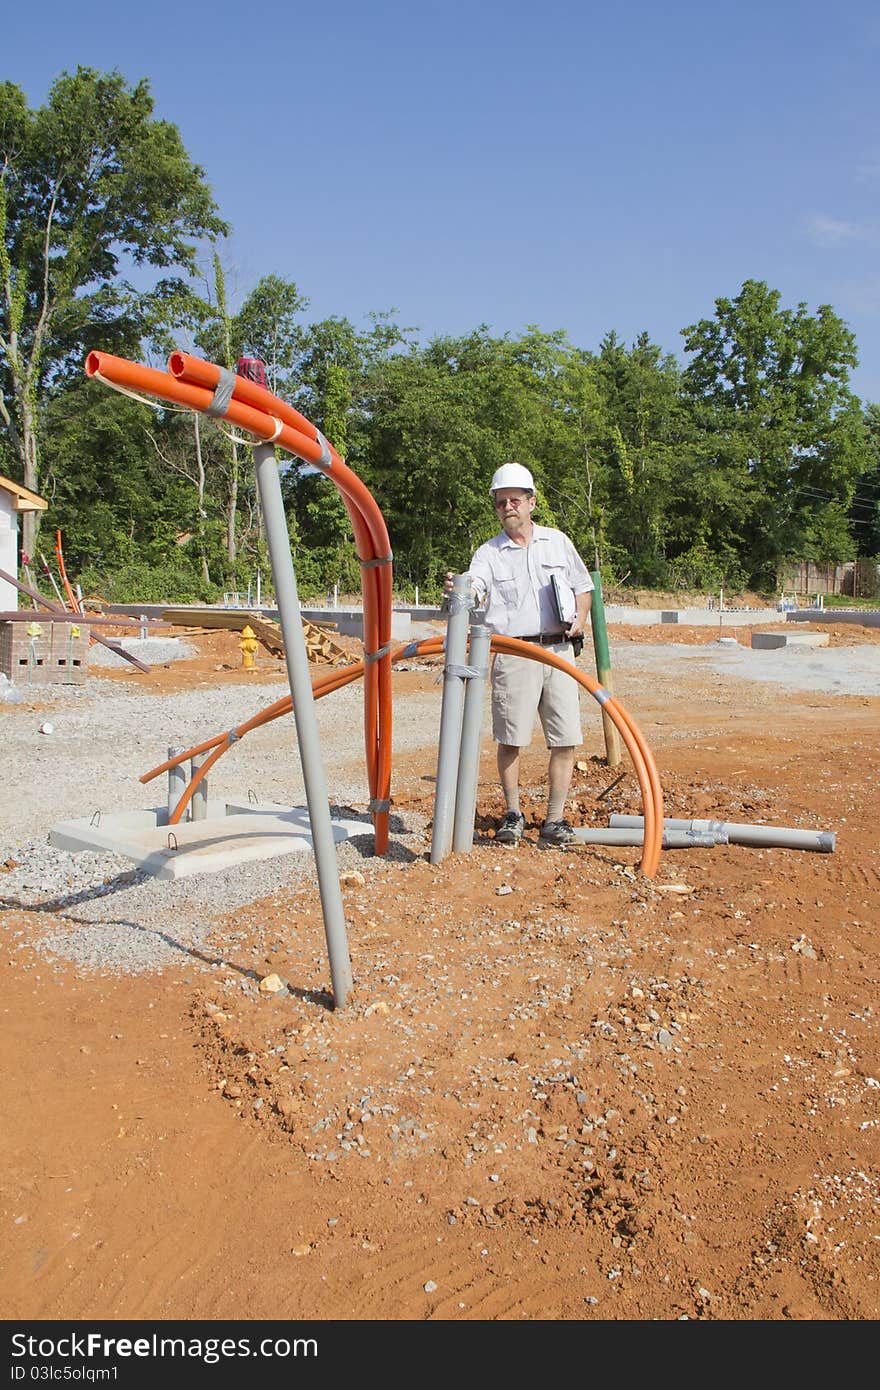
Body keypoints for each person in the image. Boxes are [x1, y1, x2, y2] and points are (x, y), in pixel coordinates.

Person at [444, 462, 593, 846]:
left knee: (565, 739)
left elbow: (583, 585)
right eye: (500, 502)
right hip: (514, 652)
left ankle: (554, 820)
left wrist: (580, 618)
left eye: (515, 500)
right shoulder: (488, 554)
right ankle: (513, 814)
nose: (508, 507)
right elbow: (475, 588)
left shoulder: (557, 542)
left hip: (559, 651)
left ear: (531, 502)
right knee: (511, 739)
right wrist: (461, 589)